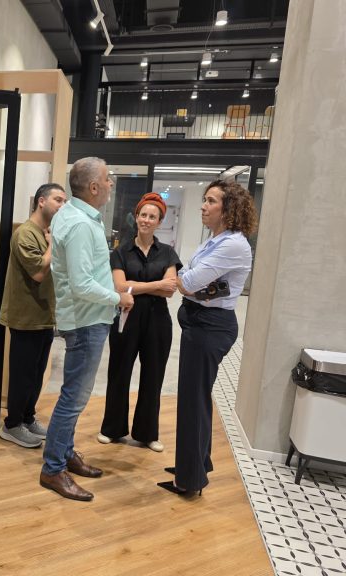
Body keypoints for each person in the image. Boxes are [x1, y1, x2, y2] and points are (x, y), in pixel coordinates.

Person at [39, 157, 134, 502]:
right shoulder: (79, 223)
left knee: (74, 395)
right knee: (74, 398)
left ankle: (64, 454)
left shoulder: (74, 215)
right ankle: (52, 468)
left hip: (85, 318)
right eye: (107, 179)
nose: (111, 184)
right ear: (93, 187)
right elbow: (81, 284)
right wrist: (118, 297)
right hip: (86, 319)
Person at [158, 179, 257, 497]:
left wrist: (187, 282)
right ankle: (195, 464)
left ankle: (189, 481)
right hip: (201, 323)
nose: (203, 205)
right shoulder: (216, 240)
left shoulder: (232, 245)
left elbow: (187, 282)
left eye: (211, 201)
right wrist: (190, 282)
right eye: (205, 199)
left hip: (210, 327)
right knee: (195, 398)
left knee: (192, 400)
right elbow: (193, 280)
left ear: (228, 209)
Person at [98, 192, 181, 452]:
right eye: (143, 215)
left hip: (158, 321)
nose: (146, 220)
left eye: (152, 216)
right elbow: (120, 286)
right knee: (119, 371)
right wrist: (156, 285)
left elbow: (170, 290)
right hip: (127, 317)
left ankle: (147, 434)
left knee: (153, 375)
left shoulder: (168, 252)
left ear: (160, 221)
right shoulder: (121, 252)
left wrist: (137, 286)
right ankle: (112, 429)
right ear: (136, 217)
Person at [0, 183, 67, 448]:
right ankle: (12, 425)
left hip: (43, 315)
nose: (62, 205)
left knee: (36, 374)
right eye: (58, 199)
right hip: (25, 318)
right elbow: (38, 272)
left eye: (64, 201)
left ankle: (27, 418)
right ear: (41, 201)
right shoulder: (25, 234)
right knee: (23, 375)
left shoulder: (45, 232)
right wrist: (53, 245)